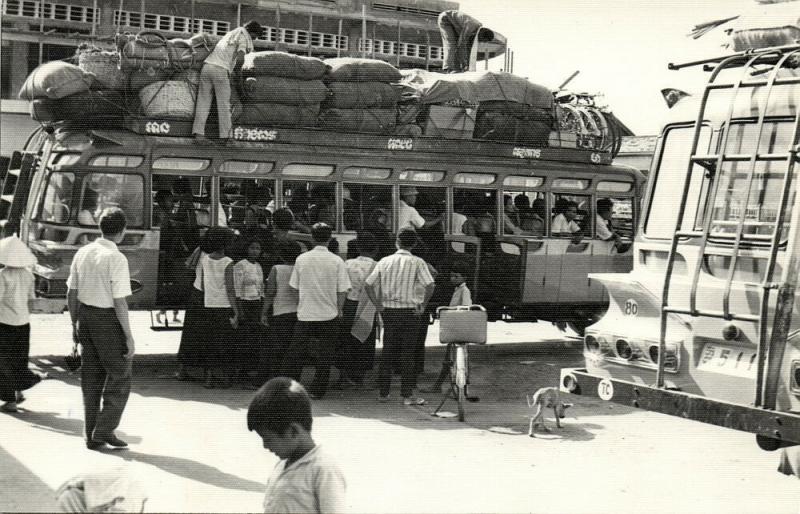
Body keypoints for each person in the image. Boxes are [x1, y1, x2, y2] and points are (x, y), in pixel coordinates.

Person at [67, 208, 135, 450]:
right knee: (120, 374)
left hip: (85, 316)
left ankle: (90, 433)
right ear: (122, 231)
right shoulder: (116, 259)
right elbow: (119, 301)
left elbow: (71, 293)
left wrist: (74, 324)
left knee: (91, 379)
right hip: (107, 320)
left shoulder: (83, 252)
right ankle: (103, 430)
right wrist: (129, 336)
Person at [247, 377, 346, 514]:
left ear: (293, 431)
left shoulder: (323, 470)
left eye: (268, 438)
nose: (265, 446)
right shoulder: (281, 466)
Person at [364, 228, 435, 405]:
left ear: (397, 242)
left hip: (389, 311)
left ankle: (384, 393)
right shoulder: (418, 262)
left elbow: (368, 284)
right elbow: (430, 285)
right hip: (410, 312)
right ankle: (407, 394)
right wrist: (423, 306)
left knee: (388, 351)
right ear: (414, 244)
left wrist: (378, 305)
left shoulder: (384, 261)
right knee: (408, 354)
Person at [280, 223, 351, 399]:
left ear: (312, 237)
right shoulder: (337, 261)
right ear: (329, 239)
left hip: (305, 313)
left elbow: (294, 288)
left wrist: (301, 303)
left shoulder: (302, 259)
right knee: (325, 354)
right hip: (329, 314)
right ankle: (318, 390)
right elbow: (342, 290)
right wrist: (339, 309)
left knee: (296, 353)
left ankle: (292, 388)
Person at [193, 20, 263, 140]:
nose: (254, 39)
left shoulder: (230, 33)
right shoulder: (243, 36)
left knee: (203, 102)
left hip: (207, 67)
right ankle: (226, 137)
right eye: (255, 36)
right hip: (220, 70)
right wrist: (237, 72)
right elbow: (240, 58)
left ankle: (199, 135)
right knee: (224, 105)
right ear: (252, 32)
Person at [0, 235, 43, 413]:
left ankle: (9, 400)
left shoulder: (3, 275)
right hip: (23, 322)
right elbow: (31, 300)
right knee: (19, 359)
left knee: (3, 362)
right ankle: (19, 391)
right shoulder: (28, 275)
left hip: (5, 322)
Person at [196, 226, 238, 388]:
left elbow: (203, 284)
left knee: (210, 342)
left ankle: (208, 378)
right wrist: (235, 311)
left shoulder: (205, 260)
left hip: (208, 305)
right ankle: (225, 378)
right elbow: (230, 288)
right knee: (224, 343)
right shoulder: (228, 263)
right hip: (224, 306)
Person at [335, 233, 378, 389]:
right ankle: (359, 377)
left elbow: (339, 285)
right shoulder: (378, 266)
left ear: (358, 247)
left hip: (347, 305)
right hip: (367, 306)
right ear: (376, 249)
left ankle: (343, 377)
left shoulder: (347, 264)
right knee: (364, 340)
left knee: (344, 339)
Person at [426, 260, 473, 394]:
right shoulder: (458, 289)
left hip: (458, 328)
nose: (453, 279)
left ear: (464, 278)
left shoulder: (464, 291)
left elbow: (465, 307)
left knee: (450, 359)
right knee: (453, 358)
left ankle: (441, 386)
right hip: (455, 327)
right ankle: (458, 388)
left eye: (456, 276)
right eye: (452, 276)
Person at [260, 241, 301, 382]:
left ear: (281, 255)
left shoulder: (276, 269)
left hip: (280, 312)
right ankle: (293, 379)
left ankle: (276, 379)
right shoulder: (299, 268)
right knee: (293, 348)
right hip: (298, 312)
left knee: (277, 348)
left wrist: (264, 312)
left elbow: (270, 292)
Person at [233, 238, 265, 386]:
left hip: (256, 304)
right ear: (247, 249)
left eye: (258, 248)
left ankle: (249, 371)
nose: (255, 251)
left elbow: (261, 287)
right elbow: (237, 289)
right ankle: (241, 373)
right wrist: (239, 310)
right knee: (244, 339)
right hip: (245, 304)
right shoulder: (240, 265)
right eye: (252, 248)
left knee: (254, 340)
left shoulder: (258, 266)